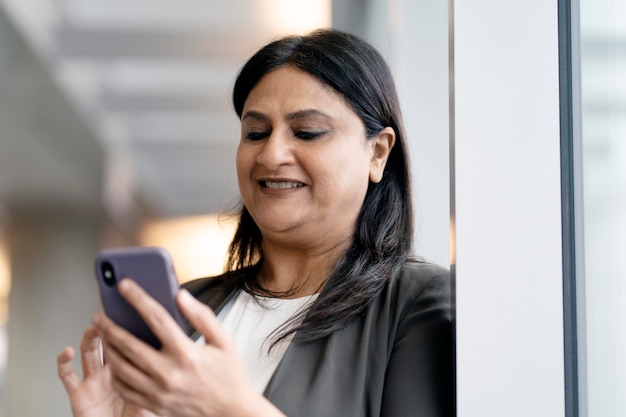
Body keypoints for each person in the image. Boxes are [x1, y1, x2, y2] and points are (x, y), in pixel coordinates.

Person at [57, 28, 453, 417]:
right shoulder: (191, 304)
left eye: (307, 132)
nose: (272, 153)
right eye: (256, 132)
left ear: (378, 153)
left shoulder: (419, 304)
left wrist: (230, 407)